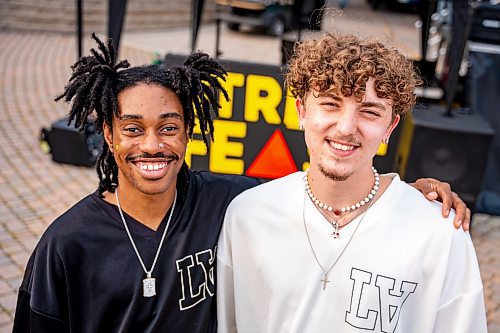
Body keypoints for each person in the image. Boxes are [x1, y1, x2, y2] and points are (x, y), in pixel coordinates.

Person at [13, 34, 469, 333]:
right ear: (108, 135)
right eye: (132, 128)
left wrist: (412, 195)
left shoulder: (228, 201)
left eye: (169, 127)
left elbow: (332, 188)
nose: (151, 144)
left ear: (189, 133)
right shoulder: (66, 244)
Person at [217, 33, 487, 333]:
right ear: (301, 111)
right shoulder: (247, 215)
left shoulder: (439, 233)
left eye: (369, 111)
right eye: (331, 104)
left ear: (390, 127)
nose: (346, 128)